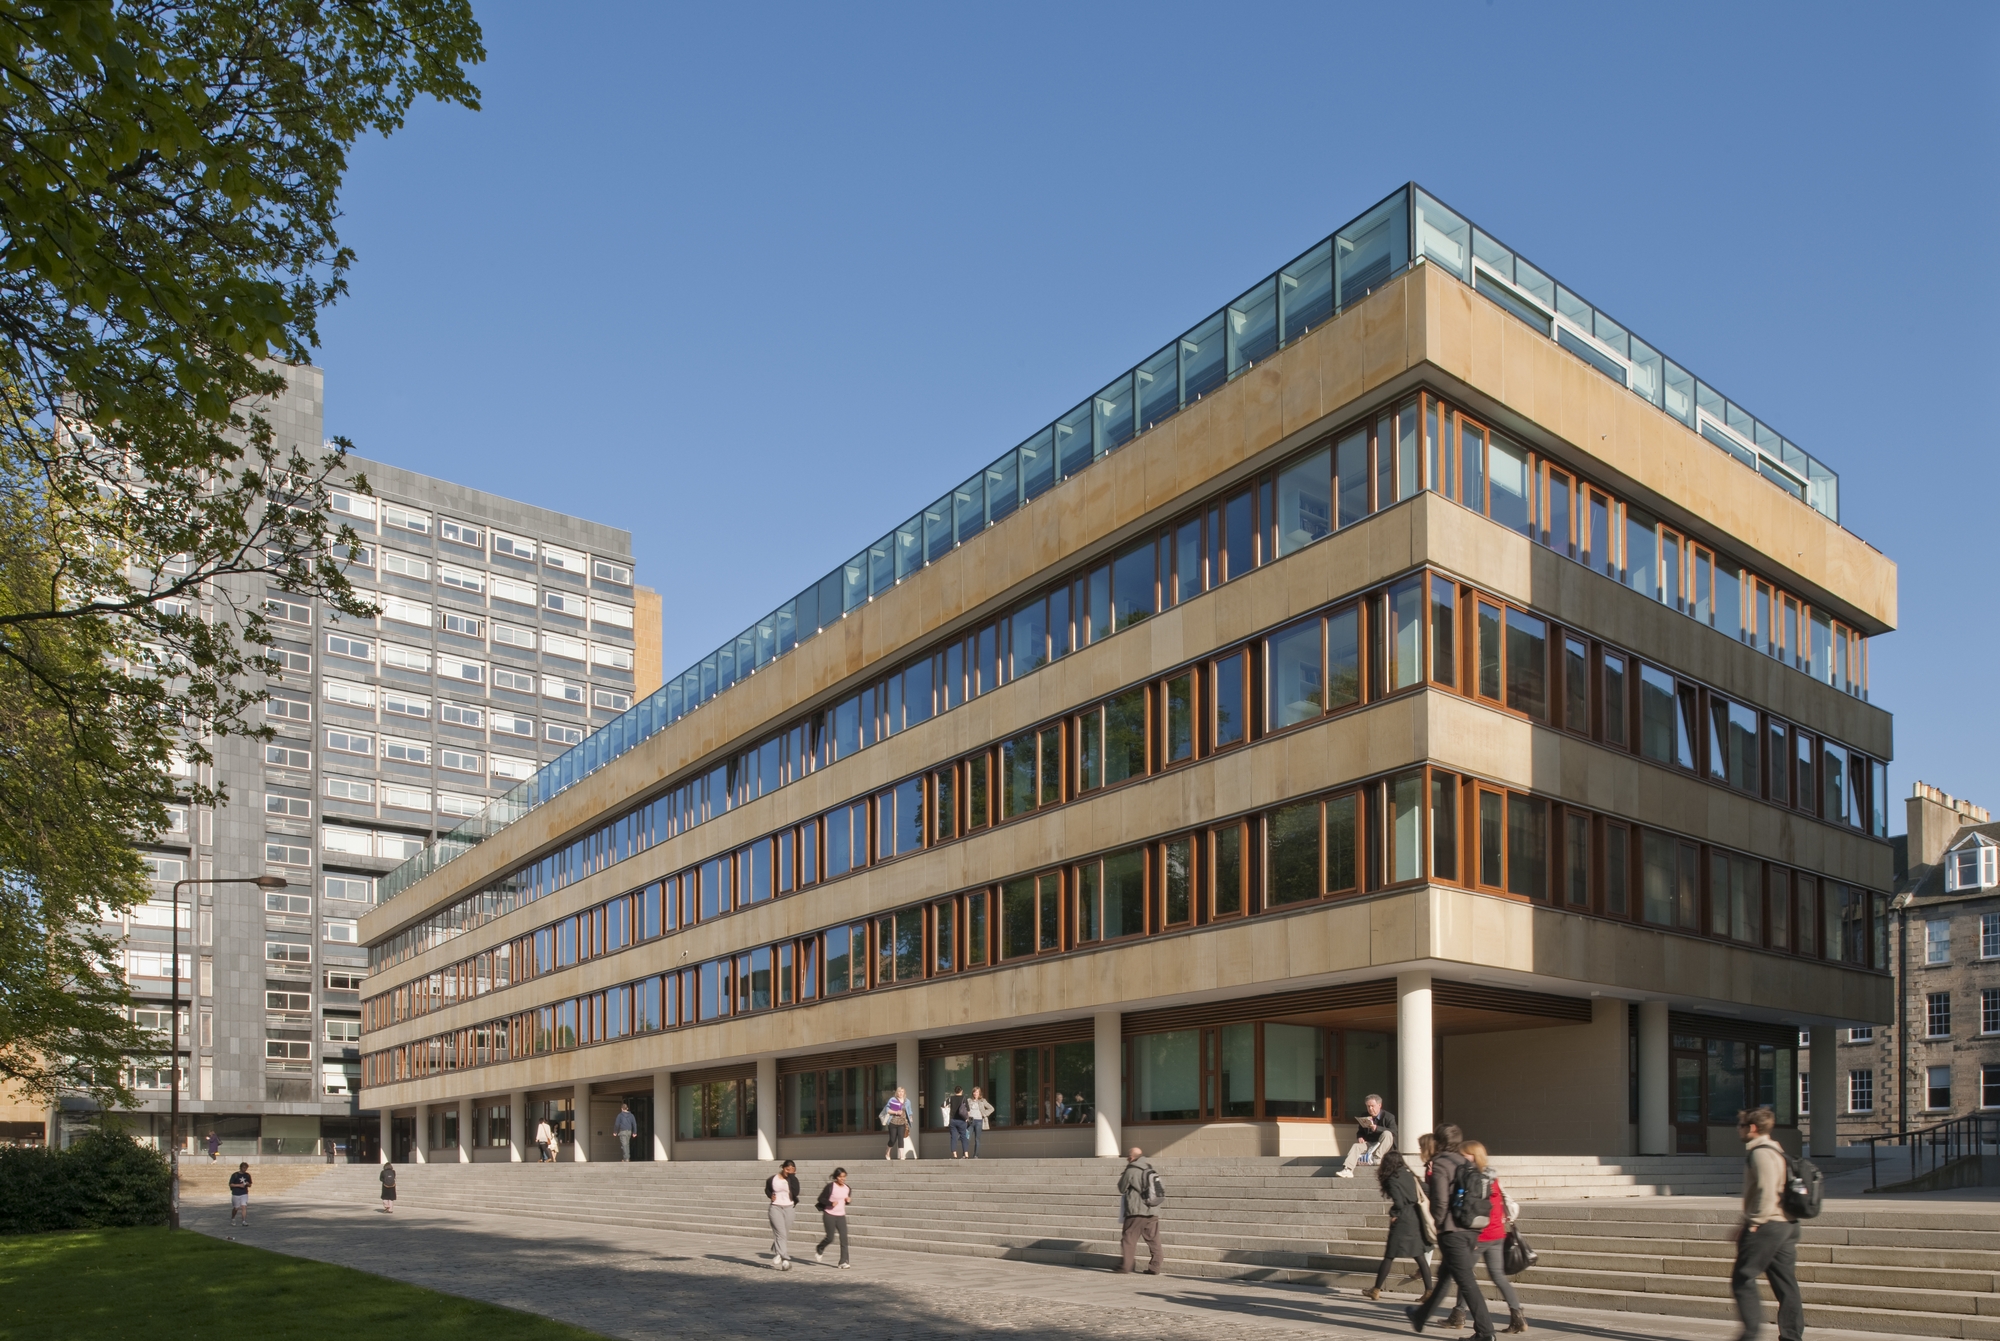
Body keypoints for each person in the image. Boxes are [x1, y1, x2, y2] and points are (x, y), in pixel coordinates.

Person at [1407, 1123, 1495, 1339]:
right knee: (1445, 1276)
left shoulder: (1440, 1164)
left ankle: (1486, 1333)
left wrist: (1436, 1225)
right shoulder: (1466, 1162)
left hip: (1451, 1231)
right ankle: (1420, 1317)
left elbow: (1440, 1202)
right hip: (1469, 1228)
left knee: (1466, 1282)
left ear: (1438, 1141)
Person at [1731, 1106, 1803, 1341]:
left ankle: (1749, 1335)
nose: (1738, 1130)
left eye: (1741, 1125)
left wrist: (1753, 1222)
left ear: (1751, 1128)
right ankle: (1792, 1337)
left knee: (1743, 1278)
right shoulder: (1777, 1149)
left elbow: (1767, 1189)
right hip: (1787, 1224)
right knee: (1785, 1284)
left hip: (1768, 1224)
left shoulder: (1760, 1152)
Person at [1441, 1140, 1524, 1334]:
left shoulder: (1474, 1177)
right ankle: (1517, 1315)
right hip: (1497, 1232)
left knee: (1465, 1275)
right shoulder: (1492, 1176)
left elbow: (1472, 1208)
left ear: (1473, 1155)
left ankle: (1458, 1315)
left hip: (1481, 1234)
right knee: (1498, 1276)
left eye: (1465, 1155)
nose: (1462, 1158)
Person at [1363, 1150, 1433, 1300]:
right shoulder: (1410, 1174)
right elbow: (1425, 1189)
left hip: (1403, 1220)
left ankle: (1376, 1289)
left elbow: (1399, 1203)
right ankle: (1429, 1291)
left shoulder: (1392, 1178)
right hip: (1416, 1217)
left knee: (1389, 1256)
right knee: (1419, 1255)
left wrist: (1393, 1214)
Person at [1115, 1145, 1164, 1275]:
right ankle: (1155, 1267)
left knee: (1129, 1237)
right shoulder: (1150, 1169)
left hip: (1137, 1211)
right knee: (1154, 1239)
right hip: (1152, 1210)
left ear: (1131, 1158)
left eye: (1127, 1157)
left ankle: (1125, 1266)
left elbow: (1121, 1187)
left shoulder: (1131, 1170)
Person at [1338, 1093, 1398, 1177]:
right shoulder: (1365, 1115)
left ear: (1379, 1105)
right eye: (1368, 1106)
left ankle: (1377, 1158)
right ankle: (1348, 1169)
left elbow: (1394, 1132)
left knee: (1387, 1133)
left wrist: (1377, 1128)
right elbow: (1360, 1131)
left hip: (1382, 1145)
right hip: (1370, 1143)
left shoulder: (1389, 1117)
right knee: (1356, 1146)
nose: (1370, 1108)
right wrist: (1360, 1137)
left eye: (1372, 1106)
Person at [765, 1159, 800, 1270]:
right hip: (775, 1207)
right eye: (787, 1169)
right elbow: (767, 1189)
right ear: (783, 1168)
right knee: (781, 1233)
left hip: (789, 1207)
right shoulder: (772, 1179)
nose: (788, 1171)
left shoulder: (793, 1180)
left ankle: (778, 1252)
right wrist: (770, 1195)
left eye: (791, 1170)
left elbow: (796, 1192)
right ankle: (785, 1260)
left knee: (784, 1233)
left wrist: (792, 1176)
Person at [814, 1166, 853, 1268]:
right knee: (830, 1238)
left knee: (844, 1239)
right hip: (829, 1214)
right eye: (840, 1177)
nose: (842, 1179)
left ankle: (843, 1262)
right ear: (836, 1177)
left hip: (841, 1216)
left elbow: (845, 1201)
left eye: (844, 1177)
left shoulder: (847, 1188)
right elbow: (820, 1199)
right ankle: (820, 1247)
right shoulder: (830, 1187)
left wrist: (848, 1201)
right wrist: (830, 1203)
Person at [881, 1086, 913, 1160]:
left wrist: (911, 1118)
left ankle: (902, 1155)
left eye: (902, 1092)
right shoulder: (892, 1100)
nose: (901, 1093)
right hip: (893, 1122)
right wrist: (896, 1112)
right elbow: (887, 1109)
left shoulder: (907, 1101)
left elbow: (909, 1111)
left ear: (904, 1093)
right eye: (899, 1091)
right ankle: (887, 1151)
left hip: (902, 1123)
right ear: (896, 1093)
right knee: (892, 1139)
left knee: (901, 1138)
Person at [965, 1086, 994, 1158]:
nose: (975, 1093)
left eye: (977, 1092)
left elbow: (991, 1108)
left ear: (979, 1093)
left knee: (977, 1139)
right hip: (970, 1121)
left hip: (979, 1121)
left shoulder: (982, 1101)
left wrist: (984, 1114)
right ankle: (965, 1154)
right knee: (967, 1137)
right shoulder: (969, 1100)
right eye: (974, 1092)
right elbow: (964, 1109)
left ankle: (976, 1155)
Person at [947, 1087, 972, 1158]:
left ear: (955, 1091)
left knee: (953, 1137)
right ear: (961, 1091)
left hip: (953, 1120)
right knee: (963, 1136)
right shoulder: (964, 1098)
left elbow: (943, 1105)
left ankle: (954, 1154)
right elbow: (968, 1109)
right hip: (962, 1120)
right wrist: (967, 1118)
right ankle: (966, 1153)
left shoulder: (951, 1098)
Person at [227, 1162, 252, 1226]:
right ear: (240, 1167)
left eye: (246, 1168)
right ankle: (233, 1218)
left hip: (244, 1193)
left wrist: (247, 1184)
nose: (245, 1169)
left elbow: (250, 1184)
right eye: (244, 1167)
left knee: (244, 1206)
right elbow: (231, 1184)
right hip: (236, 1193)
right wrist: (239, 1185)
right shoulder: (235, 1175)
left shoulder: (247, 1175)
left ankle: (243, 1221)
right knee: (236, 1208)